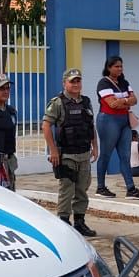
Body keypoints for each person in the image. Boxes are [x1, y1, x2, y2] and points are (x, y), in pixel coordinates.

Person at [41, 68, 99, 236]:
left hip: (83, 154)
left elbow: (90, 126)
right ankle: (64, 223)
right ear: (64, 83)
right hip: (66, 155)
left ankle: (80, 222)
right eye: (72, 81)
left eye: (78, 81)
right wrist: (53, 151)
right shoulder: (58, 103)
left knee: (82, 190)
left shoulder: (86, 102)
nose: (76, 84)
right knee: (67, 190)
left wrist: (95, 146)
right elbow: (45, 126)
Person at [93, 56, 139, 199]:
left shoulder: (124, 82)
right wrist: (126, 101)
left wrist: (122, 101)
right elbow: (112, 104)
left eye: (121, 66)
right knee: (106, 154)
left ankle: (131, 189)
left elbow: (135, 100)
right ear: (109, 67)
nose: (119, 69)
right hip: (108, 120)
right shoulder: (103, 83)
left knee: (125, 155)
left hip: (124, 121)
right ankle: (100, 187)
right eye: (116, 66)